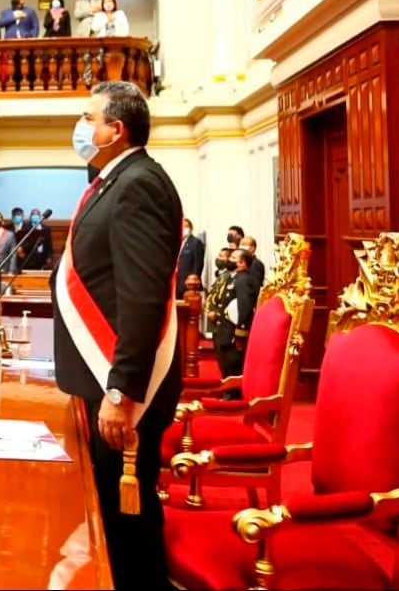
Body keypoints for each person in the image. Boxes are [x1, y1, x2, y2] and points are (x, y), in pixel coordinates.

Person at [51, 80, 182, 590]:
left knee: (127, 518)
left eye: (89, 118)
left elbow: (142, 296)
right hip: (104, 375)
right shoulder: (114, 179)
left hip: (124, 389)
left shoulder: (139, 183)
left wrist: (121, 389)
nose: (81, 127)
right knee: (107, 510)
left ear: (115, 129)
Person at [210, 248, 260, 393]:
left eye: (233, 258)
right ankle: (227, 391)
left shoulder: (243, 280)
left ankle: (232, 394)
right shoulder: (233, 278)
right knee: (225, 365)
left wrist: (240, 333)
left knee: (232, 364)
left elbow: (244, 307)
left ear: (242, 264)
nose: (229, 260)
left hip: (232, 331)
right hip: (223, 329)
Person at [175, 218, 206, 299]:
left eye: (186, 226)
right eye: (182, 226)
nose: (184, 228)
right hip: (176, 284)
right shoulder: (177, 242)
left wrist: (193, 282)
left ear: (191, 228)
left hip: (189, 286)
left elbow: (198, 265)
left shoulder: (195, 243)